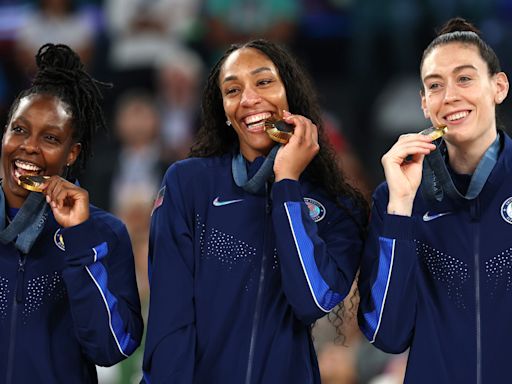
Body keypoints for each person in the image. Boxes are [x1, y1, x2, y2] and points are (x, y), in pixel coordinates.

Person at [142, 39, 368, 383]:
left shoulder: (337, 206)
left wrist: (288, 184)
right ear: (224, 112)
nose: (248, 99)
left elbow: (310, 300)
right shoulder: (188, 184)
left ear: (290, 94)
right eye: (233, 90)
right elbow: (169, 318)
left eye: (264, 82)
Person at [358, 17, 510, 383]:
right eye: (435, 86)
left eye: (465, 78)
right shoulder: (395, 198)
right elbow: (388, 334)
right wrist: (400, 208)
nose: (450, 96)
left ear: (499, 87)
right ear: (425, 105)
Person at [0, 43, 143, 383]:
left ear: (71, 153)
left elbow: (111, 348)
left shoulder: (104, 232)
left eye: (50, 138)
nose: (29, 146)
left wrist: (79, 240)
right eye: (18, 129)